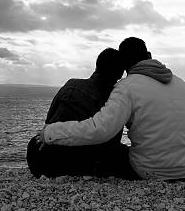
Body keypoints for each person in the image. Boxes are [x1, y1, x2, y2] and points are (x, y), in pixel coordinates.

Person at [37, 37, 185, 181]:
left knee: (107, 153)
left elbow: (100, 130)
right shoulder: (182, 84)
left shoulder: (126, 87)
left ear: (125, 66)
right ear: (149, 55)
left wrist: (51, 132)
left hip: (154, 172)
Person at [26, 48, 127, 177]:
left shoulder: (71, 85)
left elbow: (48, 123)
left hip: (45, 160)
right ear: (119, 74)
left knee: (34, 143)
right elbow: (112, 138)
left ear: (97, 65)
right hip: (85, 163)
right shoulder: (114, 97)